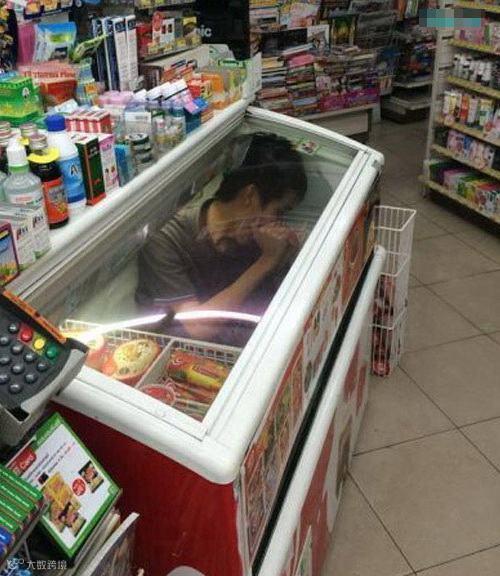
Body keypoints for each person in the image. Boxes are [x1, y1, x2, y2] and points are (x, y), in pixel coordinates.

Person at [136, 132, 308, 342]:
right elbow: (199, 327)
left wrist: (286, 256)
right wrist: (267, 261)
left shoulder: (256, 237)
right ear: (250, 196)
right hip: (183, 353)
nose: (279, 223)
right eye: (279, 211)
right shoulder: (166, 238)